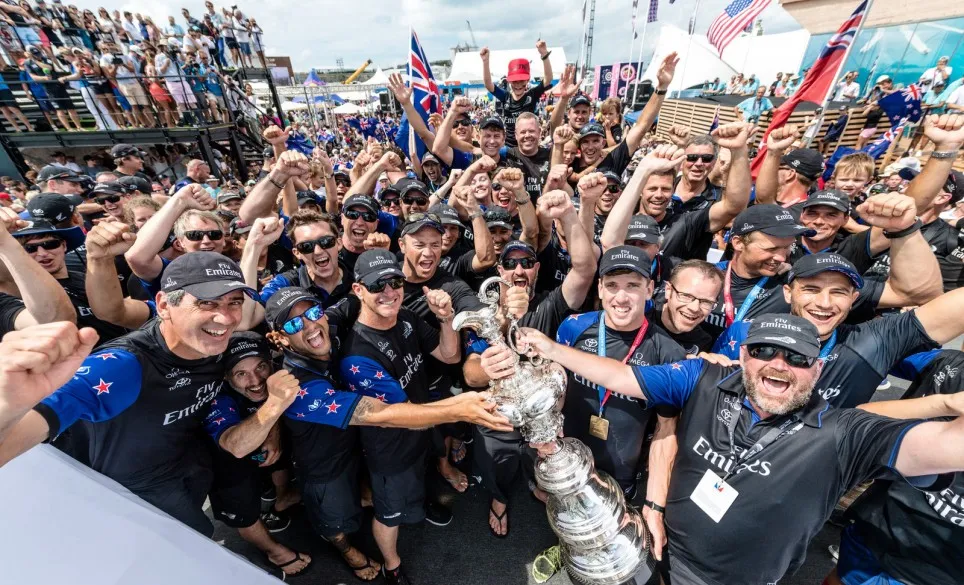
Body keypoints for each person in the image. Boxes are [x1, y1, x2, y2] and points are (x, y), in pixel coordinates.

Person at [516, 313, 964, 585]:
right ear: (745, 355)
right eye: (766, 351)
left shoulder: (845, 433)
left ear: (818, 369)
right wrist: (553, 348)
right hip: (659, 547)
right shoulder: (704, 379)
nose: (779, 365)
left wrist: (946, 404)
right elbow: (621, 376)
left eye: (797, 358)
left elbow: (948, 446)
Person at [0, 253, 258, 537]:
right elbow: (15, 440)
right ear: (164, 305)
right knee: (196, 542)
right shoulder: (121, 366)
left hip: (187, 461)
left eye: (235, 302)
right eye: (206, 303)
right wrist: (8, 404)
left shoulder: (212, 343)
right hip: (136, 490)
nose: (226, 317)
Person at [336, 249, 461, 584]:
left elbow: (449, 355)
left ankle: (418, 507)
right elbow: (402, 415)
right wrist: (461, 408)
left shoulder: (405, 317)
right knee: (389, 513)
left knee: (420, 476)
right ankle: (391, 565)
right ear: (358, 290)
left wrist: (446, 318)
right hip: (390, 446)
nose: (389, 291)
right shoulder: (357, 357)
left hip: (421, 427)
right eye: (377, 285)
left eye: (395, 282)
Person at [481, 40, 553, 147]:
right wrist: (485, 61)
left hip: (527, 145)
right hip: (509, 147)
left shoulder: (532, 95)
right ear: (509, 81)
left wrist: (544, 55)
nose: (518, 85)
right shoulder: (505, 97)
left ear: (527, 80)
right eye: (515, 81)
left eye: (522, 81)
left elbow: (548, 79)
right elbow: (488, 84)